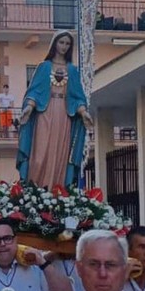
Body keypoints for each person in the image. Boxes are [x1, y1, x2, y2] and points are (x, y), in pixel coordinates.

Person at [17, 31, 92, 188]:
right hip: (44, 112)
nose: (64, 46)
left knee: (60, 156)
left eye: (67, 43)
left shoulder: (72, 70)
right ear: (54, 44)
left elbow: (77, 96)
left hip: (63, 115)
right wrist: (29, 108)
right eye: (61, 42)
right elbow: (34, 91)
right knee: (39, 155)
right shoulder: (44, 67)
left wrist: (83, 112)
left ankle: (56, 192)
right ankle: (35, 190)